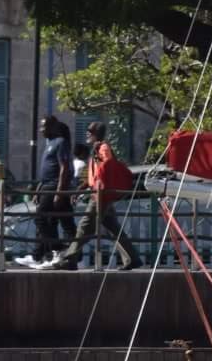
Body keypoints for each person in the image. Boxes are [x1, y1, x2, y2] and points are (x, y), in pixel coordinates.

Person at [74, 121, 140, 268]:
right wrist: (83, 186)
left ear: (96, 133)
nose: (87, 133)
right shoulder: (96, 148)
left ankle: (69, 258)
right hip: (98, 193)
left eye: (89, 131)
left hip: (100, 195)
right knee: (113, 228)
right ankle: (133, 258)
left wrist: (100, 161)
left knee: (84, 226)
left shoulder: (102, 147)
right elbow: (96, 173)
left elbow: (108, 164)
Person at [33, 115, 75, 260]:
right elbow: (46, 168)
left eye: (44, 126)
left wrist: (59, 192)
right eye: (41, 126)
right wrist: (39, 188)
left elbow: (64, 168)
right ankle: (45, 254)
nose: (41, 129)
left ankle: (56, 247)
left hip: (54, 185)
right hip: (46, 185)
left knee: (41, 218)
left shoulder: (60, 142)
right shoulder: (48, 142)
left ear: (52, 127)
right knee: (61, 220)